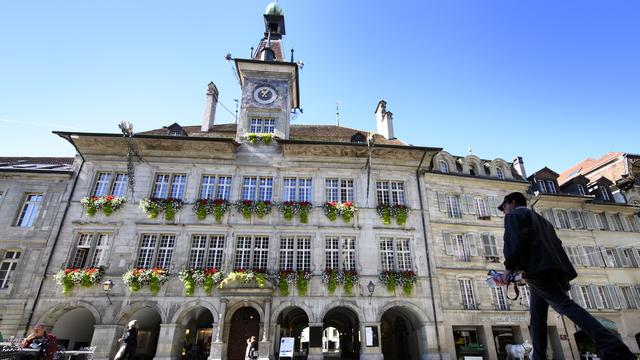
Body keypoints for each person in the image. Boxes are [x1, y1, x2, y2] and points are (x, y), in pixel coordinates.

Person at [498, 192, 634, 360]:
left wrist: (508, 268)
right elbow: (554, 244)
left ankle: (615, 347)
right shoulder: (543, 221)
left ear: (512, 202)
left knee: (565, 306)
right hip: (553, 269)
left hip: (538, 271)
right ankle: (538, 356)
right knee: (537, 317)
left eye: (504, 207)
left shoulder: (515, 215)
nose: (504, 211)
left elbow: (514, 242)